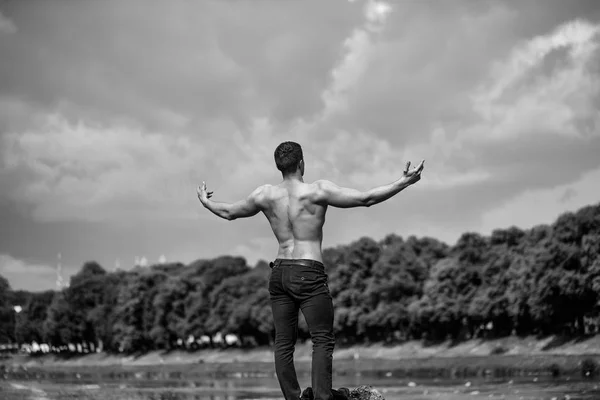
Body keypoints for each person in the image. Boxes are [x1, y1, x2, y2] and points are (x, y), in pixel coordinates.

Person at [197, 141, 425, 400]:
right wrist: (403, 182)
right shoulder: (317, 191)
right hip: (309, 272)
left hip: (280, 272)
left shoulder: (264, 195)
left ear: (278, 167)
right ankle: (321, 397)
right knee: (322, 339)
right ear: (302, 163)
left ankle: (294, 398)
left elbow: (228, 212)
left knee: (283, 342)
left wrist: (206, 203)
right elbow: (366, 199)